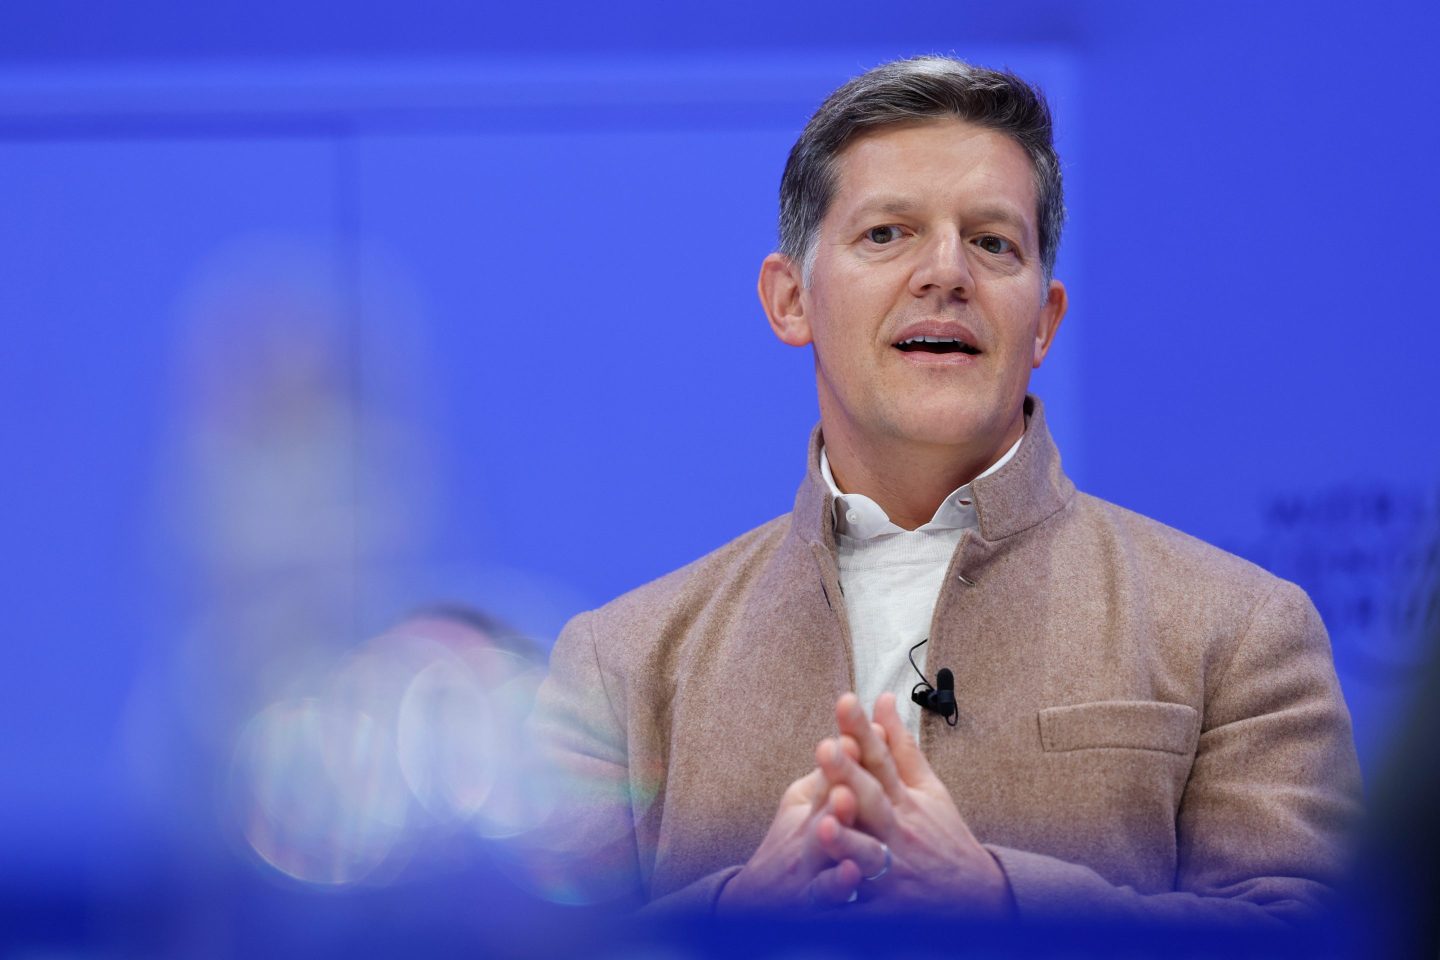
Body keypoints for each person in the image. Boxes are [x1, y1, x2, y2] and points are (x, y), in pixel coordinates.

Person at [527, 55, 1361, 924]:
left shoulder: (1239, 633)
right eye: (887, 234)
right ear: (790, 300)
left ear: (1043, 320)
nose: (946, 273)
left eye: (994, 242)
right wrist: (737, 915)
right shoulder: (620, 666)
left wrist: (1007, 905)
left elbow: (1311, 935)